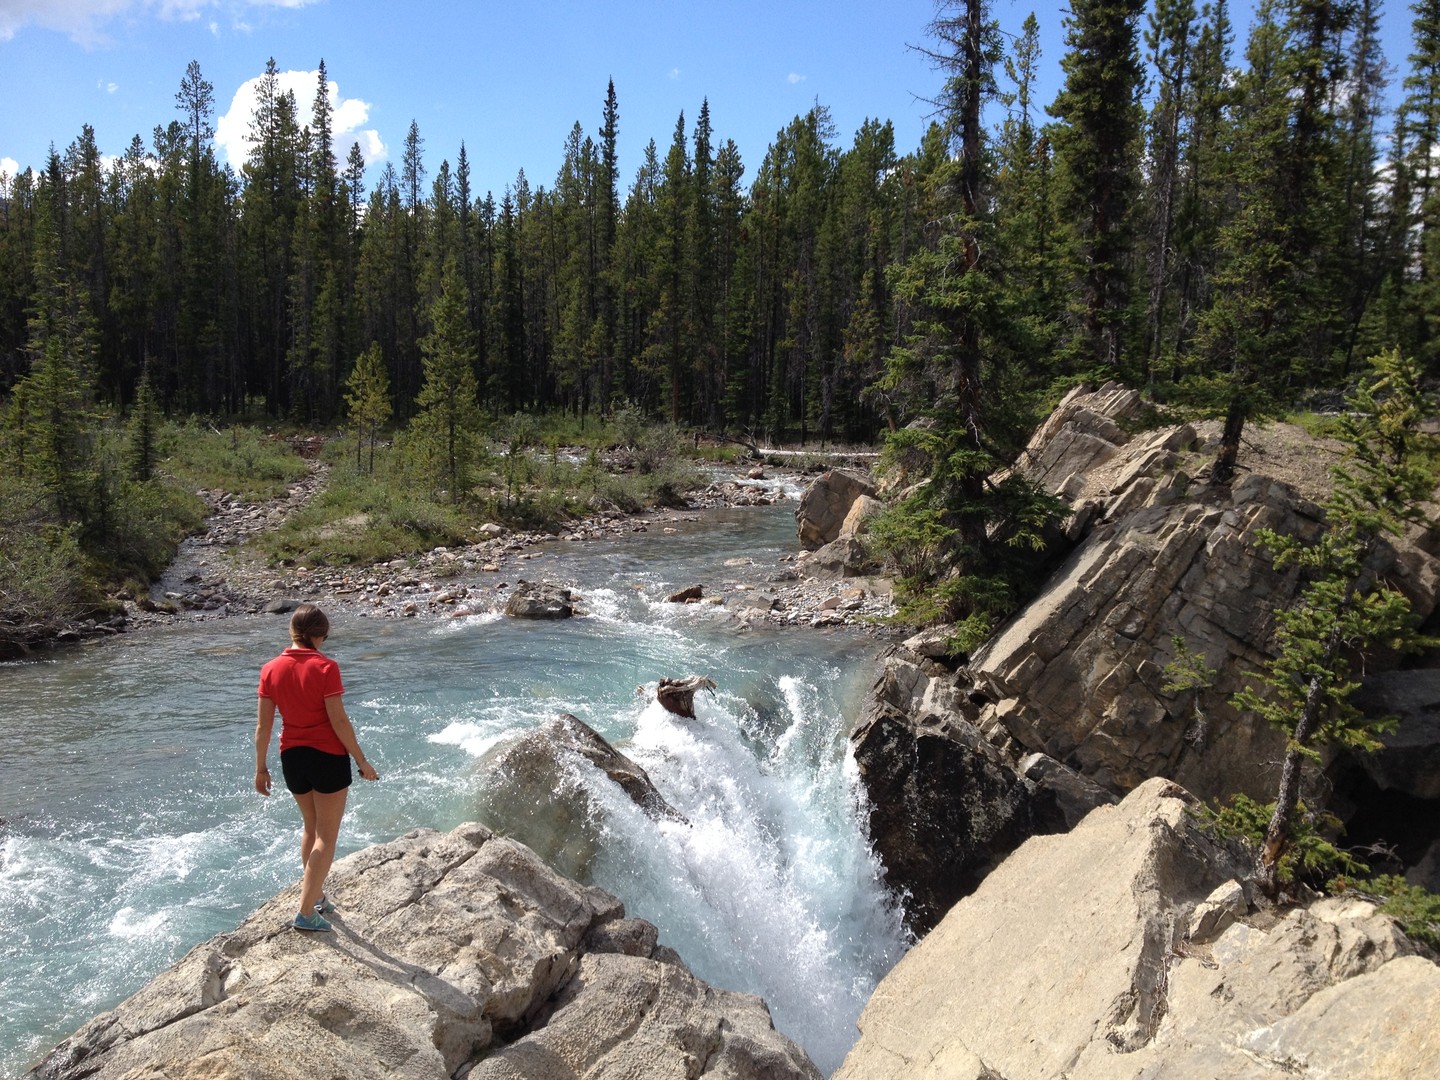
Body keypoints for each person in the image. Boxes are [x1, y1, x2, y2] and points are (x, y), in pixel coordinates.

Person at [254, 603, 379, 931]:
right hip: (326, 757)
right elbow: (338, 720)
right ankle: (306, 912)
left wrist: (260, 768)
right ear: (319, 635)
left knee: (310, 827)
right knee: (326, 836)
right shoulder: (326, 667)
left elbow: (263, 727)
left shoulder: (270, 669)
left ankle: (317, 896)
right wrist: (361, 760)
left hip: (292, 758)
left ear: (292, 631)